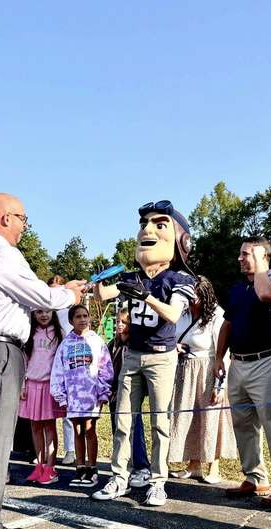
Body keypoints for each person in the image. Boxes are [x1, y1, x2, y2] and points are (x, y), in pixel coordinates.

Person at [0, 192, 84, 529]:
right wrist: (68, 292)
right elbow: (39, 295)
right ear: (5, 218)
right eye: (23, 219)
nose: (25, 227)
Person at [92, 200, 195, 507]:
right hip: (133, 354)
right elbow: (103, 296)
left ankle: (158, 480)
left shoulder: (180, 279)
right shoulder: (135, 278)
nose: (147, 230)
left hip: (162, 356)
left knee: (159, 422)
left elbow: (174, 315)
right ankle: (119, 477)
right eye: (144, 225)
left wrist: (147, 296)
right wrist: (99, 282)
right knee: (123, 419)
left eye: (159, 224)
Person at [214, 237, 271, 508]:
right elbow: (227, 324)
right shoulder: (239, 289)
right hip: (238, 363)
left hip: (267, 361)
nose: (239, 258)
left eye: (246, 254)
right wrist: (219, 357)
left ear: (263, 256)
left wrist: (260, 267)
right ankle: (255, 477)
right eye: (240, 254)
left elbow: (267, 296)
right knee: (243, 424)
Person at [169, 276, 237, 483]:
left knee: (211, 417)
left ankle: (213, 466)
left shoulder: (217, 315)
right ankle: (194, 464)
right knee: (188, 417)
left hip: (208, 370)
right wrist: (175, 347)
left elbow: (222, 352)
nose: (189, 300)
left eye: (194, 296)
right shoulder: (182, 312)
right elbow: (172, 336)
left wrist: (220, 384)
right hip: (184, 371)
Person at [51, 304, 113, 488]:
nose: (83, 319)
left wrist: (103, 390)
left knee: (89, 428)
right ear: (71, 320)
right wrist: (60, 394)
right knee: (77, 429)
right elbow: (58, 370)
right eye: (78, 316)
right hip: (73, 395)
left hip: (91, 394)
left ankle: (92, 468)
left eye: (85, 316)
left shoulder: (97, 341)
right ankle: (80, 468)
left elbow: (105, 367)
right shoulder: (66, 343)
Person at [19, 309, 65, 485]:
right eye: (39, 312)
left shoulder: (59, 334)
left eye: (47, 311)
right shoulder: (28, 334)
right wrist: (23, 384)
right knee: (35, 426)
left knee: (49, 427)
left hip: (49, 386)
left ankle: (51, 467)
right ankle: (39, 465)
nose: (43, 315)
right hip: (31, 384)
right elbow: (24, 361)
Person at [107, 307, 151, 487]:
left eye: (124, 322)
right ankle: (124, 465)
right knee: (118, 431)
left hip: (131, 394)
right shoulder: (113, 344)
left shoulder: (136, 344)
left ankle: (141, 466)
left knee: (135, 428)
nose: (119, 325)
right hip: (114, 394)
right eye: (118, 321)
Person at [47, 274, 76, 466]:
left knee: (67, 411)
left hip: (67, 364)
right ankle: (46, 452)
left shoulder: (69, 309)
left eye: (59, 288)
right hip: (47, 364)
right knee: (46, 412)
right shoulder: (44, 311)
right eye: (52, 288)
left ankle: (71, 450)